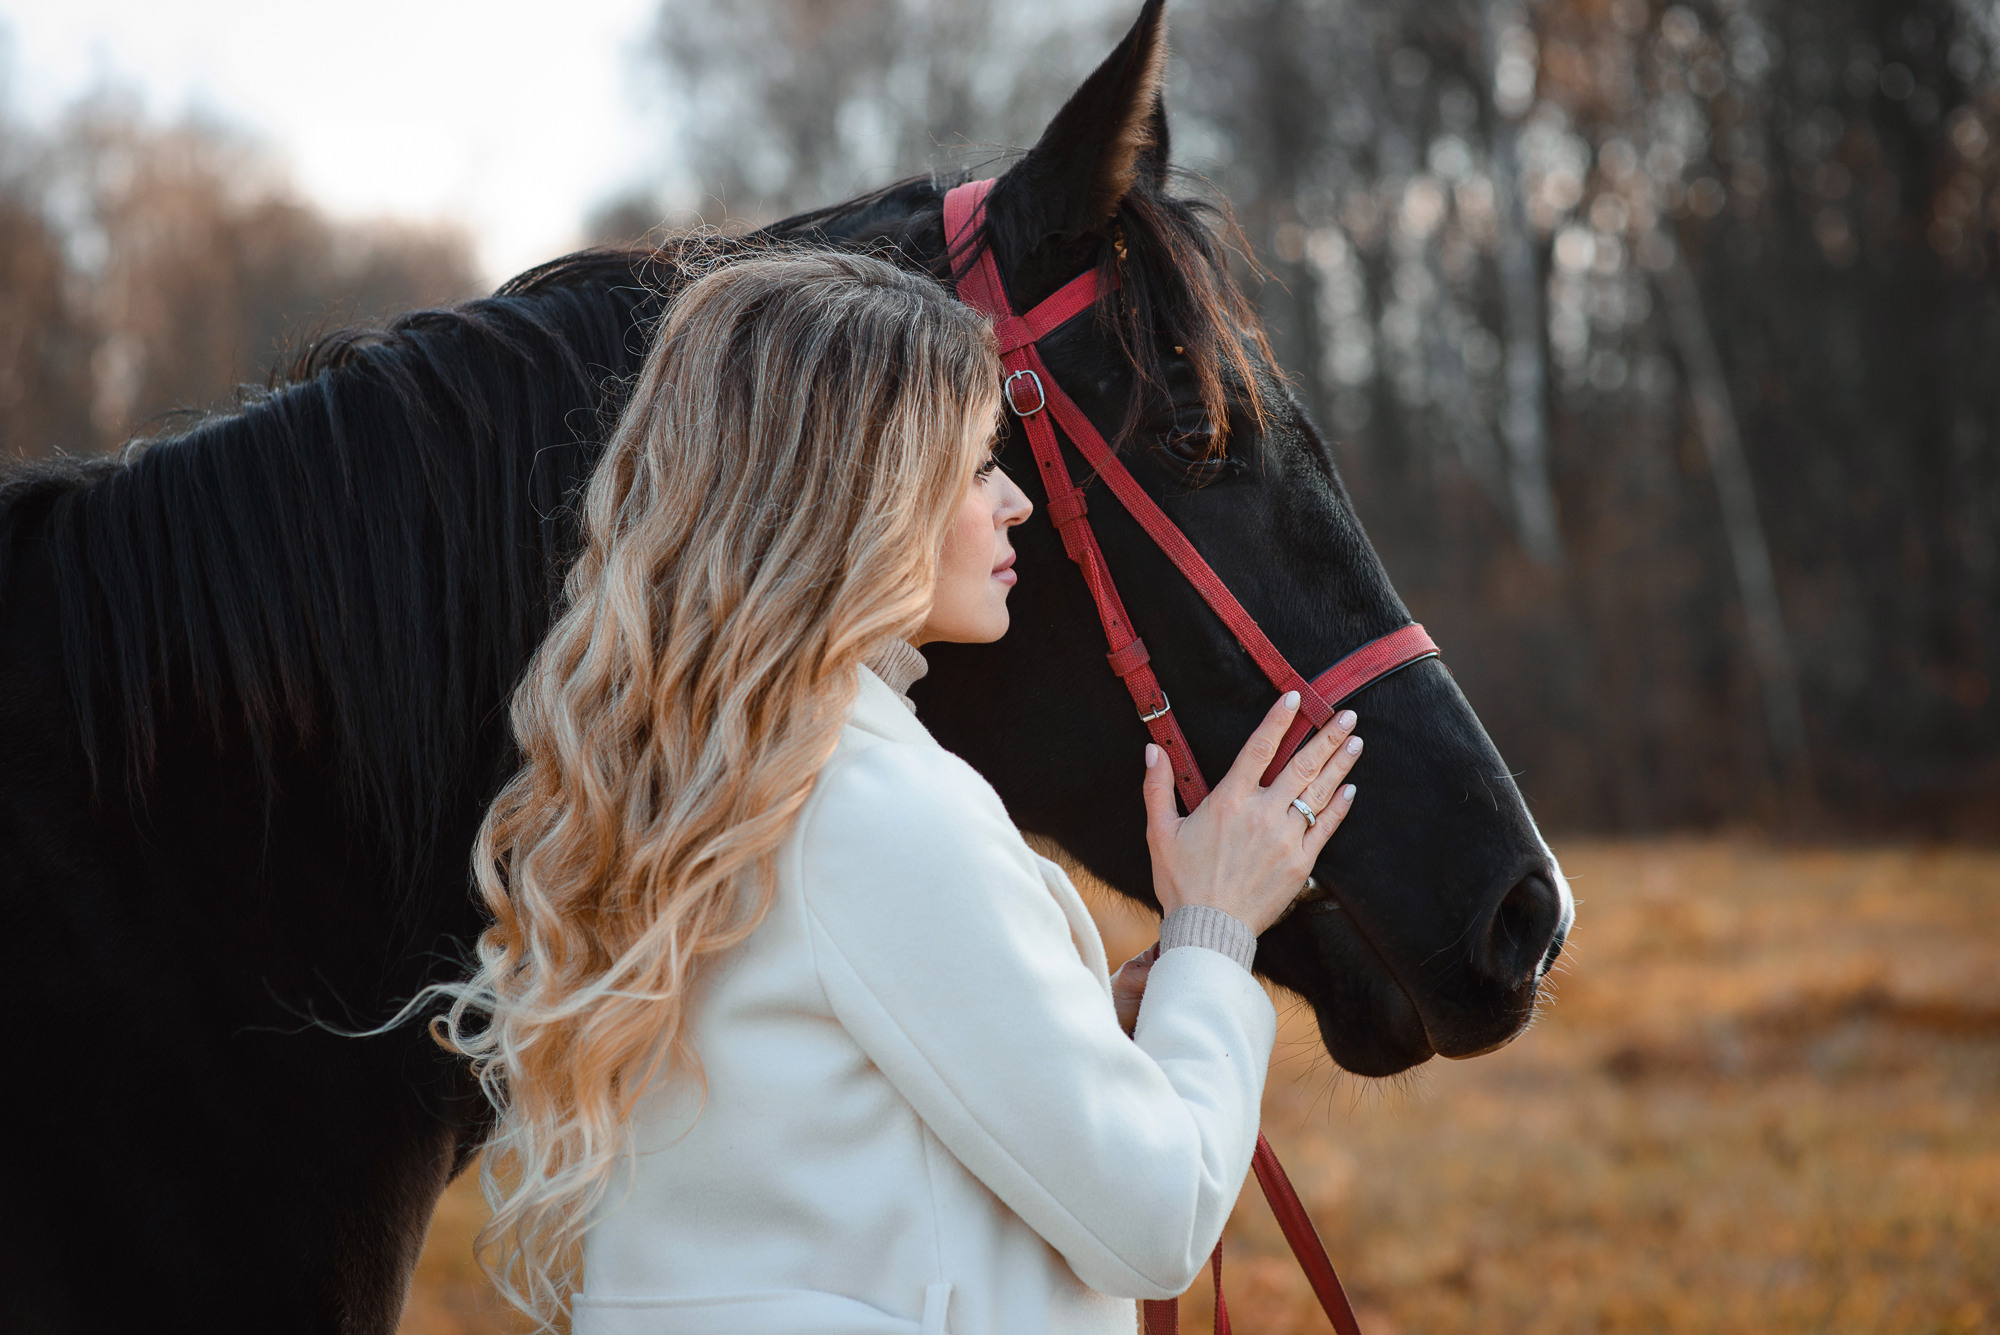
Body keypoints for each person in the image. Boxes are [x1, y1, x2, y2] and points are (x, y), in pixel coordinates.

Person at [440, 249, 1365, 1335]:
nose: (1015, 501)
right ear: (863, 497)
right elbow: (1152, 1218)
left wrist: (1077, 1022)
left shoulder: (715, 773)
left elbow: (825, 1121)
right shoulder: (874, 807)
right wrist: (1214, 932)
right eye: (978, 465)